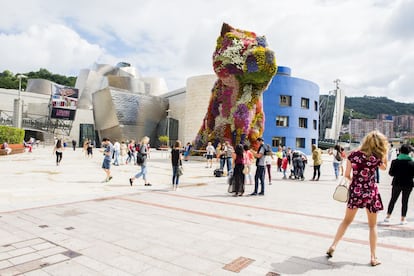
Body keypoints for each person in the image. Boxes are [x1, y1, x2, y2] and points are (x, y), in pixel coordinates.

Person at [326, 131, 388, 267]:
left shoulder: (353, 155)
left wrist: (356, 180)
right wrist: (384, 154)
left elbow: (347, 175)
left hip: (355, 191)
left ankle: (333, 246)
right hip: (370, 192)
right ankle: (373, 257)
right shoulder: (376, 157)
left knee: (346, 221)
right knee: (372, 226)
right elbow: (384, 168)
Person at [384, 144, 414, 225]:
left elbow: (391, 173)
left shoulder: (395, 161)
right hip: (408, 184)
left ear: (400, 151)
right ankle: (403, 219)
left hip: (397, 183)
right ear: (409, 152)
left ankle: (387, 217)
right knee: (405, 201)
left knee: (393, 200)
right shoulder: (412, 162)